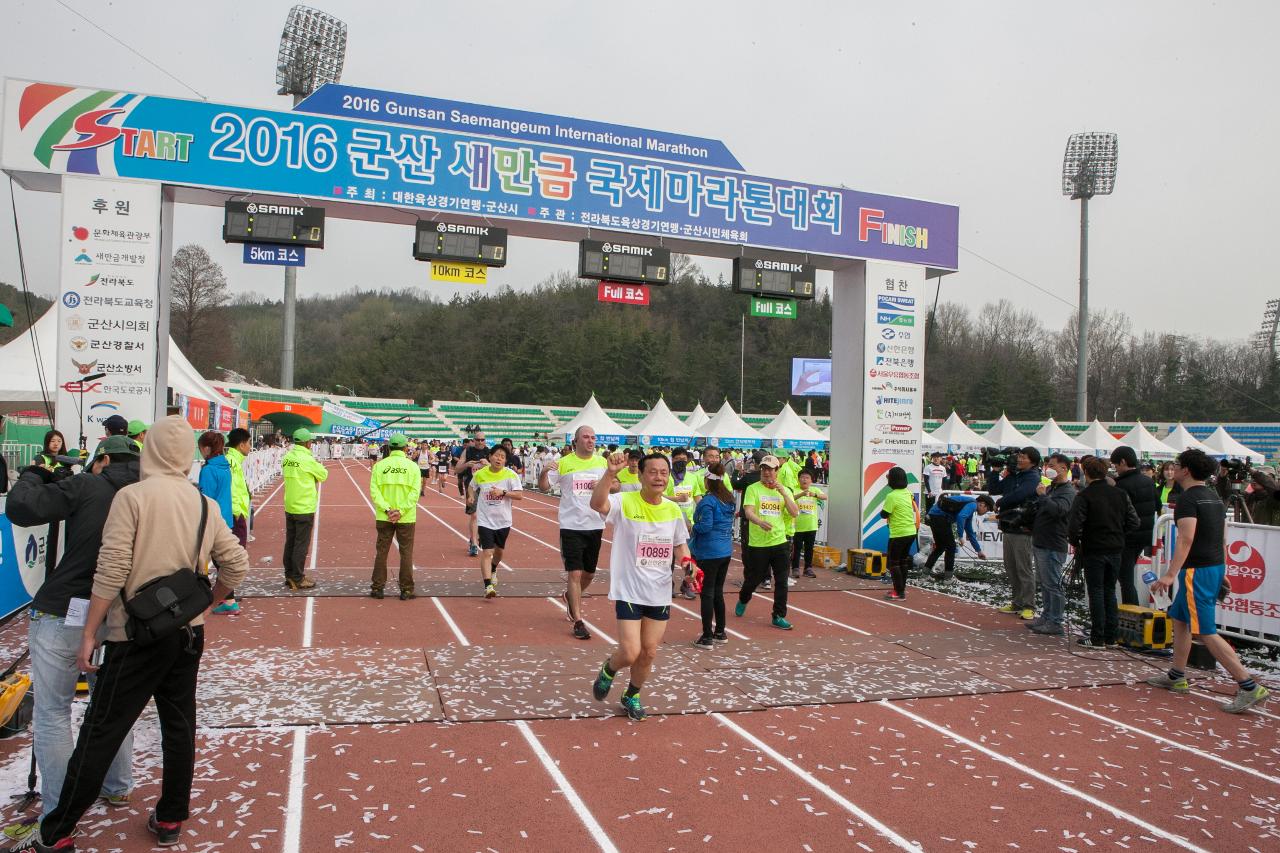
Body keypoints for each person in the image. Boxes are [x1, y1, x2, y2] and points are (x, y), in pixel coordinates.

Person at [13, 417, 249, 851]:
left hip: (133, 634)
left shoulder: (132, 498)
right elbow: (236, 564)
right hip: (187, 635)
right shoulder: (202, 504)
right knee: (178, 727)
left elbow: (113, 568)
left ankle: (57, 828)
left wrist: (89, 632)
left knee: (101, 729)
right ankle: (172, 816)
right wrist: (209, 603)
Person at [1, 436, 139, 846]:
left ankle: (59, 809)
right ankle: (118, 786)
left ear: (105, 460)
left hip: (66, 609)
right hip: (124, 617)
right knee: (111, 707)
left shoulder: (89, 485)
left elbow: (22, 507)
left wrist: (35, 472)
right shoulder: (151, 493)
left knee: (53, 714)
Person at [1147, 449, 1270, 713]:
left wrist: (1170, 574)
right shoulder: (1213, 497)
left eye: (1178, 465)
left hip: (1197, 571)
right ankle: (1177, 675)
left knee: (1205, 630)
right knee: (1180, 618)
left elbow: (1186, 538)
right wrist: (1222, 568)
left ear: (1186, 471)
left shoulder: (1189, 500)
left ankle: (1248, 685)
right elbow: (1221, 538)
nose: (1174, 468)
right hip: (1210, 567)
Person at [589, 451, 693, 720]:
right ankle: (609, 669)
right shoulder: (624, 501)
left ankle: (631, 694)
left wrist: (687, 563)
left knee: (648, 652)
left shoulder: (672, 510)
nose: (659, 477)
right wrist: (610, 473)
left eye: (663, 472)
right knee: (630, 651)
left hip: (659, 591)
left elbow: (680, 545)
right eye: (653, 472)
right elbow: (597, 504)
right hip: (629, 589)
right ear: (641, 474)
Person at [539, 426, 613, 640]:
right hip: (571, 525)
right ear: (576, 441)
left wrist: (605, 483)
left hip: (595, 525)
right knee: (575, 573)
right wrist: (544, 471)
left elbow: (615, 486)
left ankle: (571, 597)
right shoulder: (564, 463)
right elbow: (544, 488)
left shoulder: (602, 462)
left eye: (593, 437)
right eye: (586, 437)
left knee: (589, 573)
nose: (590, 441)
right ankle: (578, 619)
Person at [1067, 456, 1139, 648]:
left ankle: (1097, 636)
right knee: (1110, 591)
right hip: (1116, 548)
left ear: (1086, 472)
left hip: (1094, 549)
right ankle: (1111, 636)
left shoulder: (1084, 496)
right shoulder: (1120, 494)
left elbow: (1074, 526)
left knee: (1096, 591)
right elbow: (1134, 522)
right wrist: (1118, 535)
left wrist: (1077, 543)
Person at [735, 454, 798, 629]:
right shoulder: (753, 488)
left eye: (770, 469)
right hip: (758, 544)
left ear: (777, 471)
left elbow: (795, 513)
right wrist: (759, 521)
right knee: (754, 579)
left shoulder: (784, 490)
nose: (766, 472)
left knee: (782, 580)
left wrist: (784, 493)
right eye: (763, 468)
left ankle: (778, 615)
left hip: (779, 542)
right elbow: (748, 511)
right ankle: (743, 598)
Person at [988, 446, 1043, 620]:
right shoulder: (1013, 476)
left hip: (1023, 528)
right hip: (1008, 526)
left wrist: (1002, 501)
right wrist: (995, 469)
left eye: (1023, 457)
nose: (1018, 459)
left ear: (1032, 461)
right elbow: (994, 489)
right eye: (1018, 456)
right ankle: (1017, 602)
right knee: (1011, 566)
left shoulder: (1033, 477)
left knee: (1023, 568)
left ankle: (1029, 605)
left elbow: (1021, 494)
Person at [1027, 453, 1077, 636]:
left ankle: (1055, 621)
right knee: (1045, 583)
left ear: (1064, 468)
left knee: (1053, 584)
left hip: (1053, 543)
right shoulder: (1052, 488)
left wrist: (1043, 497)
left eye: (1053, 466)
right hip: (1041, 540)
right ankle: (1047, 616)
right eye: (1048, 465)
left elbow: (1059, 511)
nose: (1049, 468)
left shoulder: (1068, 491)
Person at [368, 434, 419, 600]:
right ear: (405, 448)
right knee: (406, 553)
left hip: (384, 517)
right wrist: (400, 511)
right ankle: (406, 590)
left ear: (389, 448)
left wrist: (387, 509)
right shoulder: (412, 467)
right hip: (406, 518)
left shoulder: (379, 466)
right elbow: (414, 493)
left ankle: (377, 588)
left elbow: (374, 492)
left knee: (382, 552)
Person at [689, 462, 735, 647]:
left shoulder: (708, 501)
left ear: (708, 480)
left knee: (706, 593)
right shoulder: (729, 498)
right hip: (725, 550)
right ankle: (720, 631)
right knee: (718, 592)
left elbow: (706, 526)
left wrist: (693, 526)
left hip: (708, 552)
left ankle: (707, 635)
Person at [469, 444, 523, 598]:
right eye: (497, 455)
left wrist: (503, 492)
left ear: (505, 460)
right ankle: (488, 586)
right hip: (485, 520)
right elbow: (471, 486)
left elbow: (519, 495)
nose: (499, 458)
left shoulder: (511, 475)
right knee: (487, 552)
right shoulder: (480, 474)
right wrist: (471, 496)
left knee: (499, 552)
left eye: (503, 456)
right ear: (490, 457)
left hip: (503, 521)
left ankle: (493, 568)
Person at [1110, 445, 1160, 606]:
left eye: (1116, 465)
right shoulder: (1148, 482)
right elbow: (1158, 506)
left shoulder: (1121, 485)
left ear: (1123, 462)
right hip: (1144, 536)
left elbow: (1117, 513)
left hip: (1126, 536)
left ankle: (1132, 614)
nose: (1115, 469)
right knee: (1127, 575)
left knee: (1125, 580)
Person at [281, 428, 328, 590]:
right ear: (307, 443)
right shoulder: (307, 460)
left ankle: (289, 574)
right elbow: (323, 475)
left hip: (290, 505)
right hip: (304, 507)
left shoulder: (287, 457)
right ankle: (297, 578)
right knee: (301, 544)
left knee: (290, 542)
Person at [213, 428, 253, 615]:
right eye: (249, 443)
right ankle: (228, 598)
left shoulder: (234, 460)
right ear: (242, 443)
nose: (251, 447)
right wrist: (236, 511)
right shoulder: (230, 461)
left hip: (236, 514)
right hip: (233, 516)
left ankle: (228, 594)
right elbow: (230, 490)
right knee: (231, 556)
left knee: (231, 555)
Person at [924, 494, 992, 579]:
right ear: (982, 504)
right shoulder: (973, 504)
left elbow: (970, 532)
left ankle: (925, 573)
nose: (985, 512)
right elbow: (961, 516)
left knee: (940, 547)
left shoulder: (970, 508)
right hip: (939, 517)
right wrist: (960, 536)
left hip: (934, 515)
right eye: (987, 509)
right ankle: (948, 578)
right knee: (951, 547)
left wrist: (978, 551)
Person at [880, 466, 919, 601]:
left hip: (899, 533)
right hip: (911, 531)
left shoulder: (891, 496)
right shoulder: (908, 493)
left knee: (893, 563)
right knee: (902, 561)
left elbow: (884, 514)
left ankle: (899, 592)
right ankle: (900, 589)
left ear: (892, 480)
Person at [454, 433, 490, 557]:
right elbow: (457, 469)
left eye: (482, 440)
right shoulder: (467, 451)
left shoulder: (490, 452)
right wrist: (466, 465)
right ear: (473, 440)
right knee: (474, 515)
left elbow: (500, 470)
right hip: (471, 487)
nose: (480, 442)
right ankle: (474, 543)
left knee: (484, 516)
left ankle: (476, 536)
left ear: (485, 440)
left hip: (486, 487)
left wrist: (488, 464)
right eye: (477, 440)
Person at [790, 469, 826, 579]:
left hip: (811, 525)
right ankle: (795, 568)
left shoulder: (814, 489)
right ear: (798, 479)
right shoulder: (794, 490)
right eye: (802, 477)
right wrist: (801, 494)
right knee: (796, 548)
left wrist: (814, 494)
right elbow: (790, 499)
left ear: (811, 480)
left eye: (807, 478)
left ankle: (808, 568)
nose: (804, 480)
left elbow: (825, 497)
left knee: (809, 548)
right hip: (797, 526)